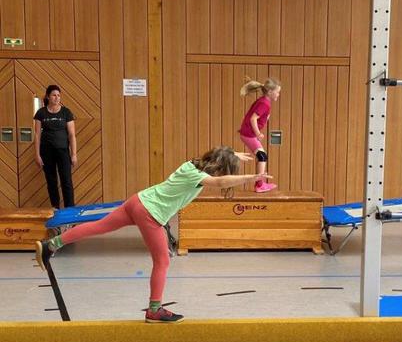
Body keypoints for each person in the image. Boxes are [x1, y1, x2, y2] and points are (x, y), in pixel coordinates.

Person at [35, 146, 271, 322]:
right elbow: (219, 182)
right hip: (150, 212)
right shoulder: (199, 176)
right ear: (219, 167)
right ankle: (154, 310)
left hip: (138, 201)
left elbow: (218, 162)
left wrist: (232, 155)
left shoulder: (190, 165)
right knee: (163, 261)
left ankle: (52, 244)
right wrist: (251, 178)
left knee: (99, 226)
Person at [34, 85, 77, 208]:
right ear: (48, 96)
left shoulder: (66, 112)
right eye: (54, 95)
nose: (57, 98)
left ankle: (70, 211)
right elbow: (37, 135)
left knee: (66, 181)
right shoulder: (41, 113)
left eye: (58, 95)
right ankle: (55, 209)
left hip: (63, 151)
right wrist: (37, 155)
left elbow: (72, 135)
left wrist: (74, 154)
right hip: (47, 152)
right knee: (51, 182)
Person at [239, 77, 280, 192]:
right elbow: (253, 119)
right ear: (270, 92)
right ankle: (260, 185)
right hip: (249, 134)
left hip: (248, 133)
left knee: (261, 156)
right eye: (277, 92)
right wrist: (258, 133)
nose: (278, 94)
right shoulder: (264, 103)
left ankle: (259, 183)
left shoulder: (264, 101)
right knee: (262, 156)